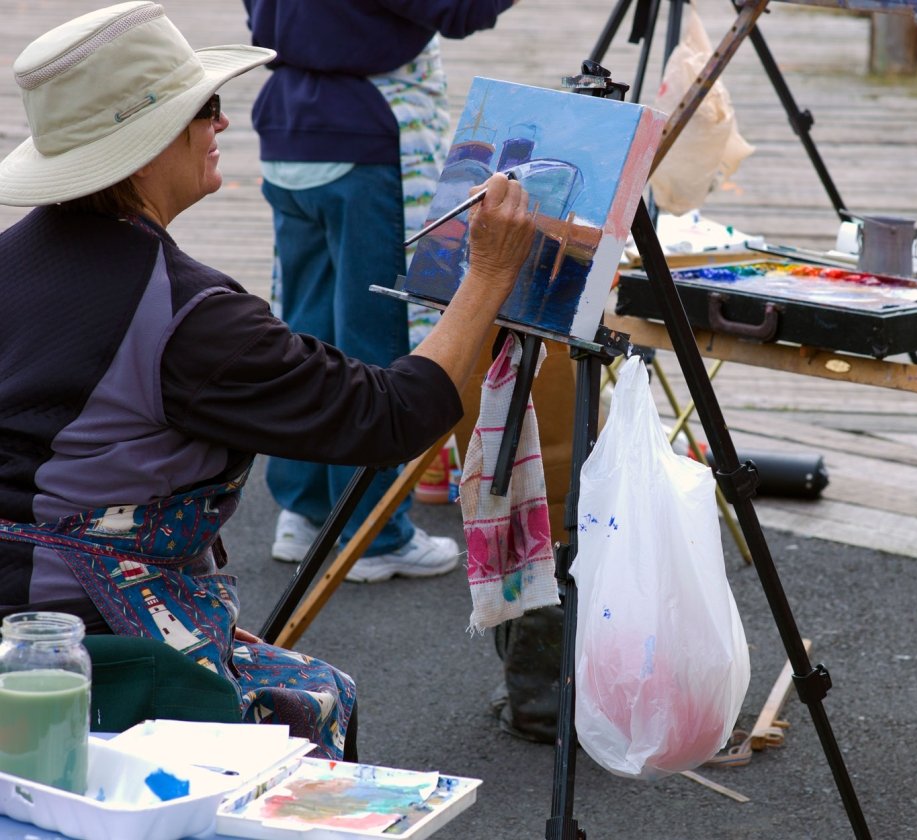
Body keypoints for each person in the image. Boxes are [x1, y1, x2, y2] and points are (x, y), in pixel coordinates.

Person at [0, 2, 534, 760]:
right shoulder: (190, 318)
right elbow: (389, 418)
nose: (223, 125)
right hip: (77, 640)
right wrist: (489, 274)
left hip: (29, 619)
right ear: (148, 145)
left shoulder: (15, 258)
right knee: (309, 697)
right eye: (205, 109)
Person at [242, 0, 521, 582]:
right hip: (366, 130)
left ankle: (306, 506)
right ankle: (373, 534)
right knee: (374, 335)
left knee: (304, 332)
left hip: (290, 124)